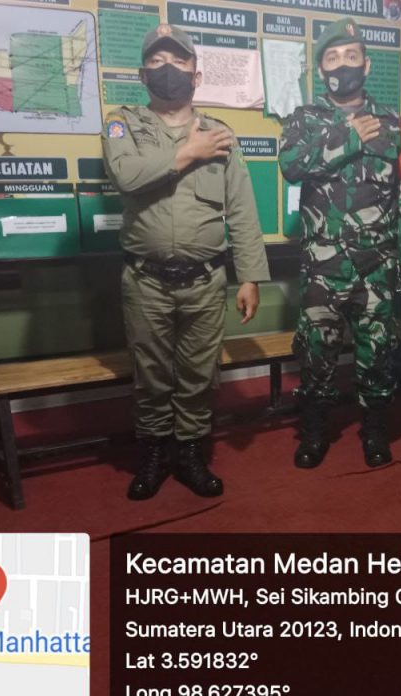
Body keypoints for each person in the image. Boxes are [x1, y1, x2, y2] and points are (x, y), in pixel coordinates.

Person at [102, 24, 270, 501]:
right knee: (151, 376)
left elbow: (242, 208)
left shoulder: (221, 135)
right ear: (142, 75)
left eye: (178, 61)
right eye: (157, 62)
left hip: (205, 281)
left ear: (196, 76)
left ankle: (191, 454)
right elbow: (127, 175)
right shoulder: (122, 124)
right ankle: (154, 455)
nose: (167, 69)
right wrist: (188, 152)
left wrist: (250, 276)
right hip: (146, 281)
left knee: (199, 375)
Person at [279, 17, 401, 469]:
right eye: (332, 58)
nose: (342, 64)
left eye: (351, 55)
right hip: (323, 267)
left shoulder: (391, 122)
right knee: (317, 353)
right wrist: (348, 136)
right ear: (320, 70)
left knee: (377, 352)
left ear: (366, 64)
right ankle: (314, 430)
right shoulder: (304, 119)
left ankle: (375, 428)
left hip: (376, 265)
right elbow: (291, 165)